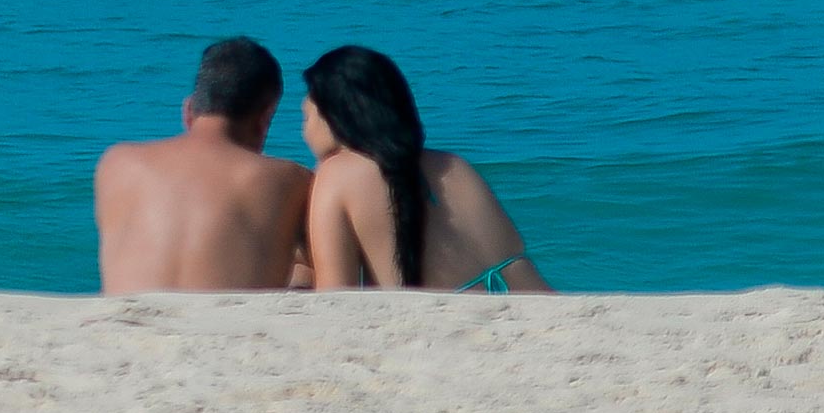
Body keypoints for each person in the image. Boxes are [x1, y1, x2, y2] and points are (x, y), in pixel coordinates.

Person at [299, 45, 551, 293]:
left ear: (331, 118)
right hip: (540, 303)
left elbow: (335, 297)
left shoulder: (335, 176)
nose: (304, 130)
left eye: (306, 116)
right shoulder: (454, 164)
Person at [94, 37, 314, 293]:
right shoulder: (292, 180)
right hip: (228, 329)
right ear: (264, 120)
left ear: (188, 110)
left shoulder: (116, 163)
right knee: (303, 268)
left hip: (123, 329)